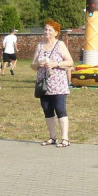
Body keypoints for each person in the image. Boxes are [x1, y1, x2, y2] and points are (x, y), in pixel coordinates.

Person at [32, 19, 74, 148]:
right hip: (43, 84)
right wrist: (38, 64)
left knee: (60, 109)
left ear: (56, 32)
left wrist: (56, 64)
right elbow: (32, 65)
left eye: (50, 30)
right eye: (45, 29)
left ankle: (65, 138)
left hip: (58, 84)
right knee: (47, 109)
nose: (47, 32)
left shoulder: (60, 44)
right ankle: (52, 137)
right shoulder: (39, 46)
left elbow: (70, 62)